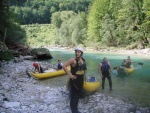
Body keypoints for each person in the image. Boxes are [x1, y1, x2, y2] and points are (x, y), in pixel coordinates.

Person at [62, 47, 87, 113]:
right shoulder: (72, 59)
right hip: (74, 80)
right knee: (74, 96)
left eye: (78, 52)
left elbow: (84, 69)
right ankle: (74, 111)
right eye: (76, 52)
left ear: (81, 53)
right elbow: (64, 66)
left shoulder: (83, 59)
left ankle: (76, 109)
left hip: (81, 80)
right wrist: (70, 75)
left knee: (78, 95)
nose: (77, 53)